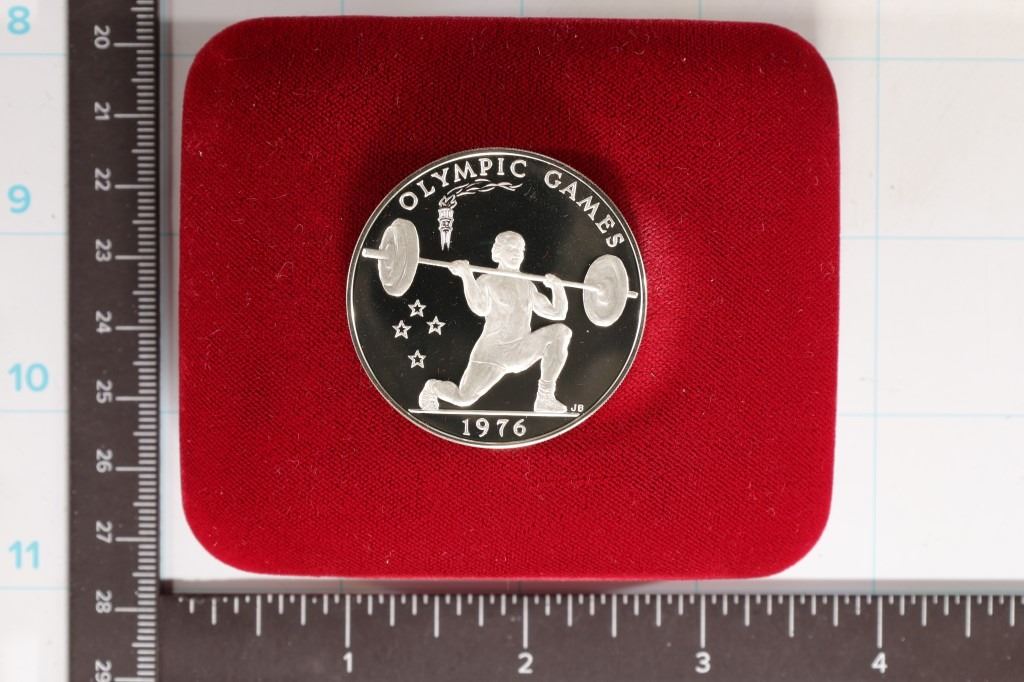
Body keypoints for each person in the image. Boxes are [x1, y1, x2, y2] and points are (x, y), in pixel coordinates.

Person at [418, 231, 572, 413]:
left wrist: (558, 289)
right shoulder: (488, 280)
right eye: (511, 248)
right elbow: (480, 308)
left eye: (520, 249)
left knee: (561, 332)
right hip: (492, 353)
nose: (516, 253)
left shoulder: (528, 285)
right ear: (498, 252)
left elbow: (558, 313)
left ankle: (544, 397)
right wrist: (466, 275)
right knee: (464, 398)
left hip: (519, 348)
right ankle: (432, 388)